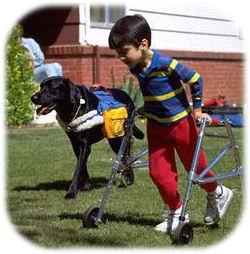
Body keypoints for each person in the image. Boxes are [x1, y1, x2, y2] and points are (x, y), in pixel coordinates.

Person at [108, 14, 233, 233]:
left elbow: (195, 78)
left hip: (181, 124)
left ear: (143, 45)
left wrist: (197, 110)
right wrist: (149, 107)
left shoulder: (165, 63)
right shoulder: (136, 66)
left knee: (198, 170)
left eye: (124, 51)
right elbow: (152, 89)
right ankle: (176, 212)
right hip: (157, 126)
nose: (120, 57)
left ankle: (218, 193)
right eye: (117, 53)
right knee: (159, 172)